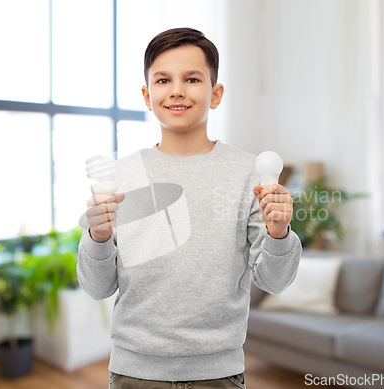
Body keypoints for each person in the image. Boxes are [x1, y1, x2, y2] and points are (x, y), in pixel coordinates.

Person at [77, 27, 302, 389]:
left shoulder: (251, 174)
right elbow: (97, 287)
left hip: (219, 374)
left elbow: (274, 281)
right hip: (134, 373)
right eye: (163, 80)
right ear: (147, 96)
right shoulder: (120, 176)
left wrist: (279, 234)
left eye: (192, 79)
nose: (177, 90)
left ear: (215, 94)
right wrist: (97, 238)